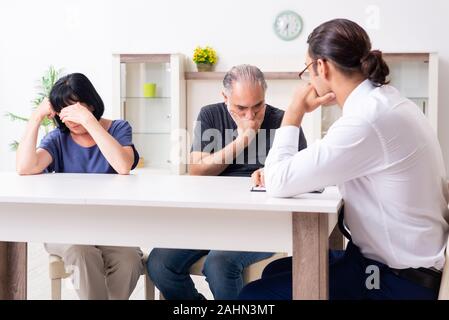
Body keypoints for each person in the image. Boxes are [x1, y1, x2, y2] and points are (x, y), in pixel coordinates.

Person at [239, 19, 449, 300]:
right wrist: (289, 172)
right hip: (390, 266)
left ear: (322, 67)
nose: (309, 81)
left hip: (393, 282)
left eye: (307, 70)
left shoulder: (366, 120)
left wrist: (294, 112)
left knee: (254, 296)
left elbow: (278, 183)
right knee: (275, 270)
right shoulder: (385, 102)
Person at [147, 65, 307, 300]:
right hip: (213, 215)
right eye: (241, 108)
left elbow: (302, 175)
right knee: (160, 264)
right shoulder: (210, 114)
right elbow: (197, 170)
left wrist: (274, 173)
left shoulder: (284, 120)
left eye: (257, 106)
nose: (250, 116)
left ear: (265, 96)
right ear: (225, 97)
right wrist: (243, 139)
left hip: (263, 222)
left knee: (219, 265)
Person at [16, 73, 144, 300]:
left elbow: (123, 165)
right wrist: (36, 118)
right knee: (81, 252)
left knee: (130, 260)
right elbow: (26, 167)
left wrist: (89, 122)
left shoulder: (117, 129)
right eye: (63, 110)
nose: (70, 118)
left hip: (110, 225)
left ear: (91, 104)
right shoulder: (57, 139)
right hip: (66, 226)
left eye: (75, 108)